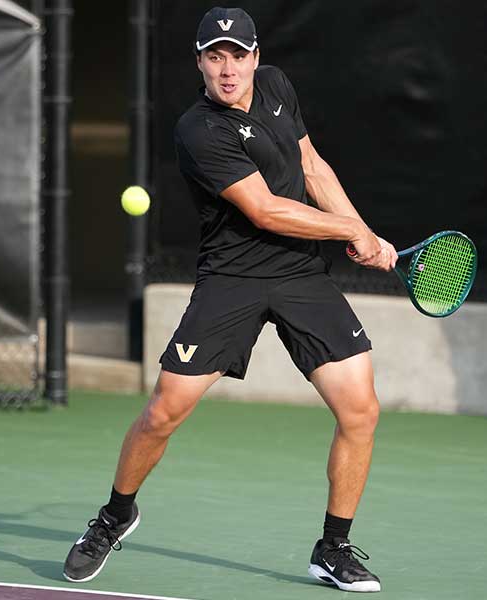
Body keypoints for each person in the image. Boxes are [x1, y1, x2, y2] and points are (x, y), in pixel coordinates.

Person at [63, 7, 395, 593]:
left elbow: (312, 166)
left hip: (300, 275)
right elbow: (264, 209)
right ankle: (115, 515)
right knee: (163, 411)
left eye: (238, 55)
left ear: (256, 58)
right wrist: (349, 232)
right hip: (231, 279)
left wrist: (363, 231)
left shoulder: (276, 86)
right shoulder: (198, 130)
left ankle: (333, 547)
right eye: (215, 57)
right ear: (199, 63)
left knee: (360, 410)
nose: (228, 69)